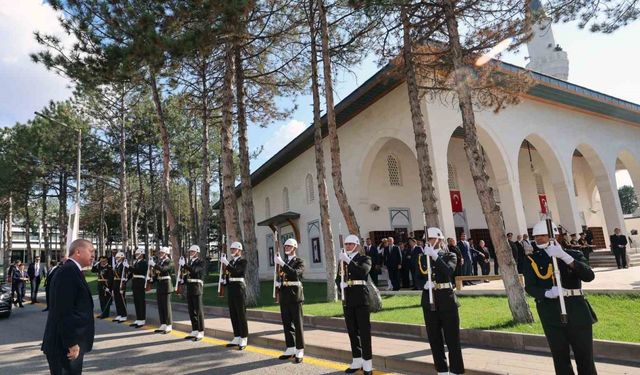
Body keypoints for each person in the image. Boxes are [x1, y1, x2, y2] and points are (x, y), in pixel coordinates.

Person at [524, 220, 597, 375]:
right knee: (560, 357)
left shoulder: (574, 254)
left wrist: (565, 257)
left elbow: (588, 276)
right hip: (550, 311)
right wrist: (546, 293)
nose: (538, 240)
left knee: (585, 356)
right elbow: (530, 287)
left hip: (576, 309)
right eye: (536, 236)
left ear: (555, 236)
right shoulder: (533, 259)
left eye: (542, 236)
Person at [42, 239, 95, 375]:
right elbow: (64, 311)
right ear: (78, 252)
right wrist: (71, 343)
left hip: (67, 344)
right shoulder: (68, 272)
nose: (94, 255)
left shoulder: (72, 270)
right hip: (64, 346)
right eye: (91, 251)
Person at [418, 227, 464, 375]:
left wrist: (435, 257)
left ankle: (455, 371)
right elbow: (417, 276)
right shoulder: (422, 257)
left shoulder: (450, 255)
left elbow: (448, 271)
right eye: (427, 240)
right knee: (434, 339)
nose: (428, 242)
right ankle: (442, 371)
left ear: (439, 239)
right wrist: (424, 284)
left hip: (447, 300)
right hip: (429, 300)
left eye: (431, 239)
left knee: (452, 339)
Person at [337, 235, 374, 375]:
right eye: (346, 244)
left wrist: (348, 260)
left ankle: (367, 363)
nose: (347, 246)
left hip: (361, 298)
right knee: (352, 331)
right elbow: (337, 277)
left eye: (351, 244)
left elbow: (362, 271)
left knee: (364, 331)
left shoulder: (365, 259)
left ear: (357, 245)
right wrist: (340, 285)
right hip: (348, 298)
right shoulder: (342, 260)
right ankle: (356, 360)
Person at [274, 238, 305, 363]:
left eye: (289, 246)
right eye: (285, 246)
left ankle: (299, 349)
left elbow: (295, 274)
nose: (286, 248)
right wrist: (277, 283)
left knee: (297, 324)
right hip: (284, 295)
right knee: (287, 324)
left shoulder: (299, 261)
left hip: (295, 295)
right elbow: (281, 277)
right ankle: (290, 348)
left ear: (294, 248)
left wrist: (282, 264)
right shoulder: (283, 261)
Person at [221, 241, 249, 350]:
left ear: (239, 250)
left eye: (234, 249)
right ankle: (237, 336)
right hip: (232, 288)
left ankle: (244, 337)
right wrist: (225, 281)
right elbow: (229, 275)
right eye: (231, 249)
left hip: (239, 288)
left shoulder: (243, 261)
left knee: (241, 313)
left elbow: (237, 272)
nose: (232, 250)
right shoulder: (231, 262)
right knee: (233, 313)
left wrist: (227, 264)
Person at [180, 244, 205, 341]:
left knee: (198, 311)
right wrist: (183, 279)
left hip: (197, 288)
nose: (191, 253)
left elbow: (194, 271)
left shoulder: (200, 262)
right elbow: (187, 273)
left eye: (193, 252)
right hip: (190, 288)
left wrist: (185, 265)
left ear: (197, 253)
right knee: (191, 310)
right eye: (190, 252)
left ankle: (201, 331)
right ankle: (194, 330)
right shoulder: (189, 262)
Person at [150, 246, 174, 334]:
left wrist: (154, 265)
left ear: (166, 253)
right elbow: (157, 274)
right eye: (160, 253)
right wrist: (152, 279)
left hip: (166, 285)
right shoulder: (160, 262)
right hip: (160, 285)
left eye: (162, 253)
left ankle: (169, 325)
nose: (160, 254)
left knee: (166, 306)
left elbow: (164, 270)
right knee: (161, 306)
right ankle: (163, 323)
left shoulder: (169, 262)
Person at [129, 248, 148, 328]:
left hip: (140, 282)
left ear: (141, 254)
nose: (136, 255)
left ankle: (142, 319)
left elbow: (138, 271)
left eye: (137, 254)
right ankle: (138, 318)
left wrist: (129, 267)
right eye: (136, 254)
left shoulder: (144, 262)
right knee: (136, 301)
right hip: (135, 282)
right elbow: (133, 272)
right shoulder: (136, 262)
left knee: (140, 301)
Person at [111, 252, 128, 323]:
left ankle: (124, 315)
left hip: (121, 283)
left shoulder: (124, 265)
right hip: (115, 283)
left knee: (122, 299)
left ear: (122, 258)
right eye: (116, 258)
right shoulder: (116, 265)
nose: (116, 259)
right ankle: (119, 314)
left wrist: (123, 286)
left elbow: (125, 276)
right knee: (117, 299)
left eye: (118, 258)